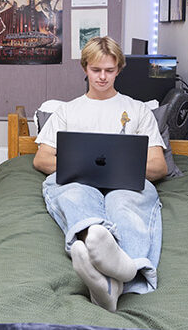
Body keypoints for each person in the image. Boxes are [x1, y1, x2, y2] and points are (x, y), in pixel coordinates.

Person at [33, 36, 167, 312]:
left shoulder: (138, 110)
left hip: (125, 184)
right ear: (85, 68)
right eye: (96, 70)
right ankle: (110, 263)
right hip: (79, 180)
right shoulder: (66, 112)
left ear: (119, 69)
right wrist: (81, 168)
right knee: (72, 192)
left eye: (109, 70)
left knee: (123, 202)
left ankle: (112, 271)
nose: (103, 77)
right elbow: (42, 158)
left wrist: (120, 168)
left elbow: (158, 166)